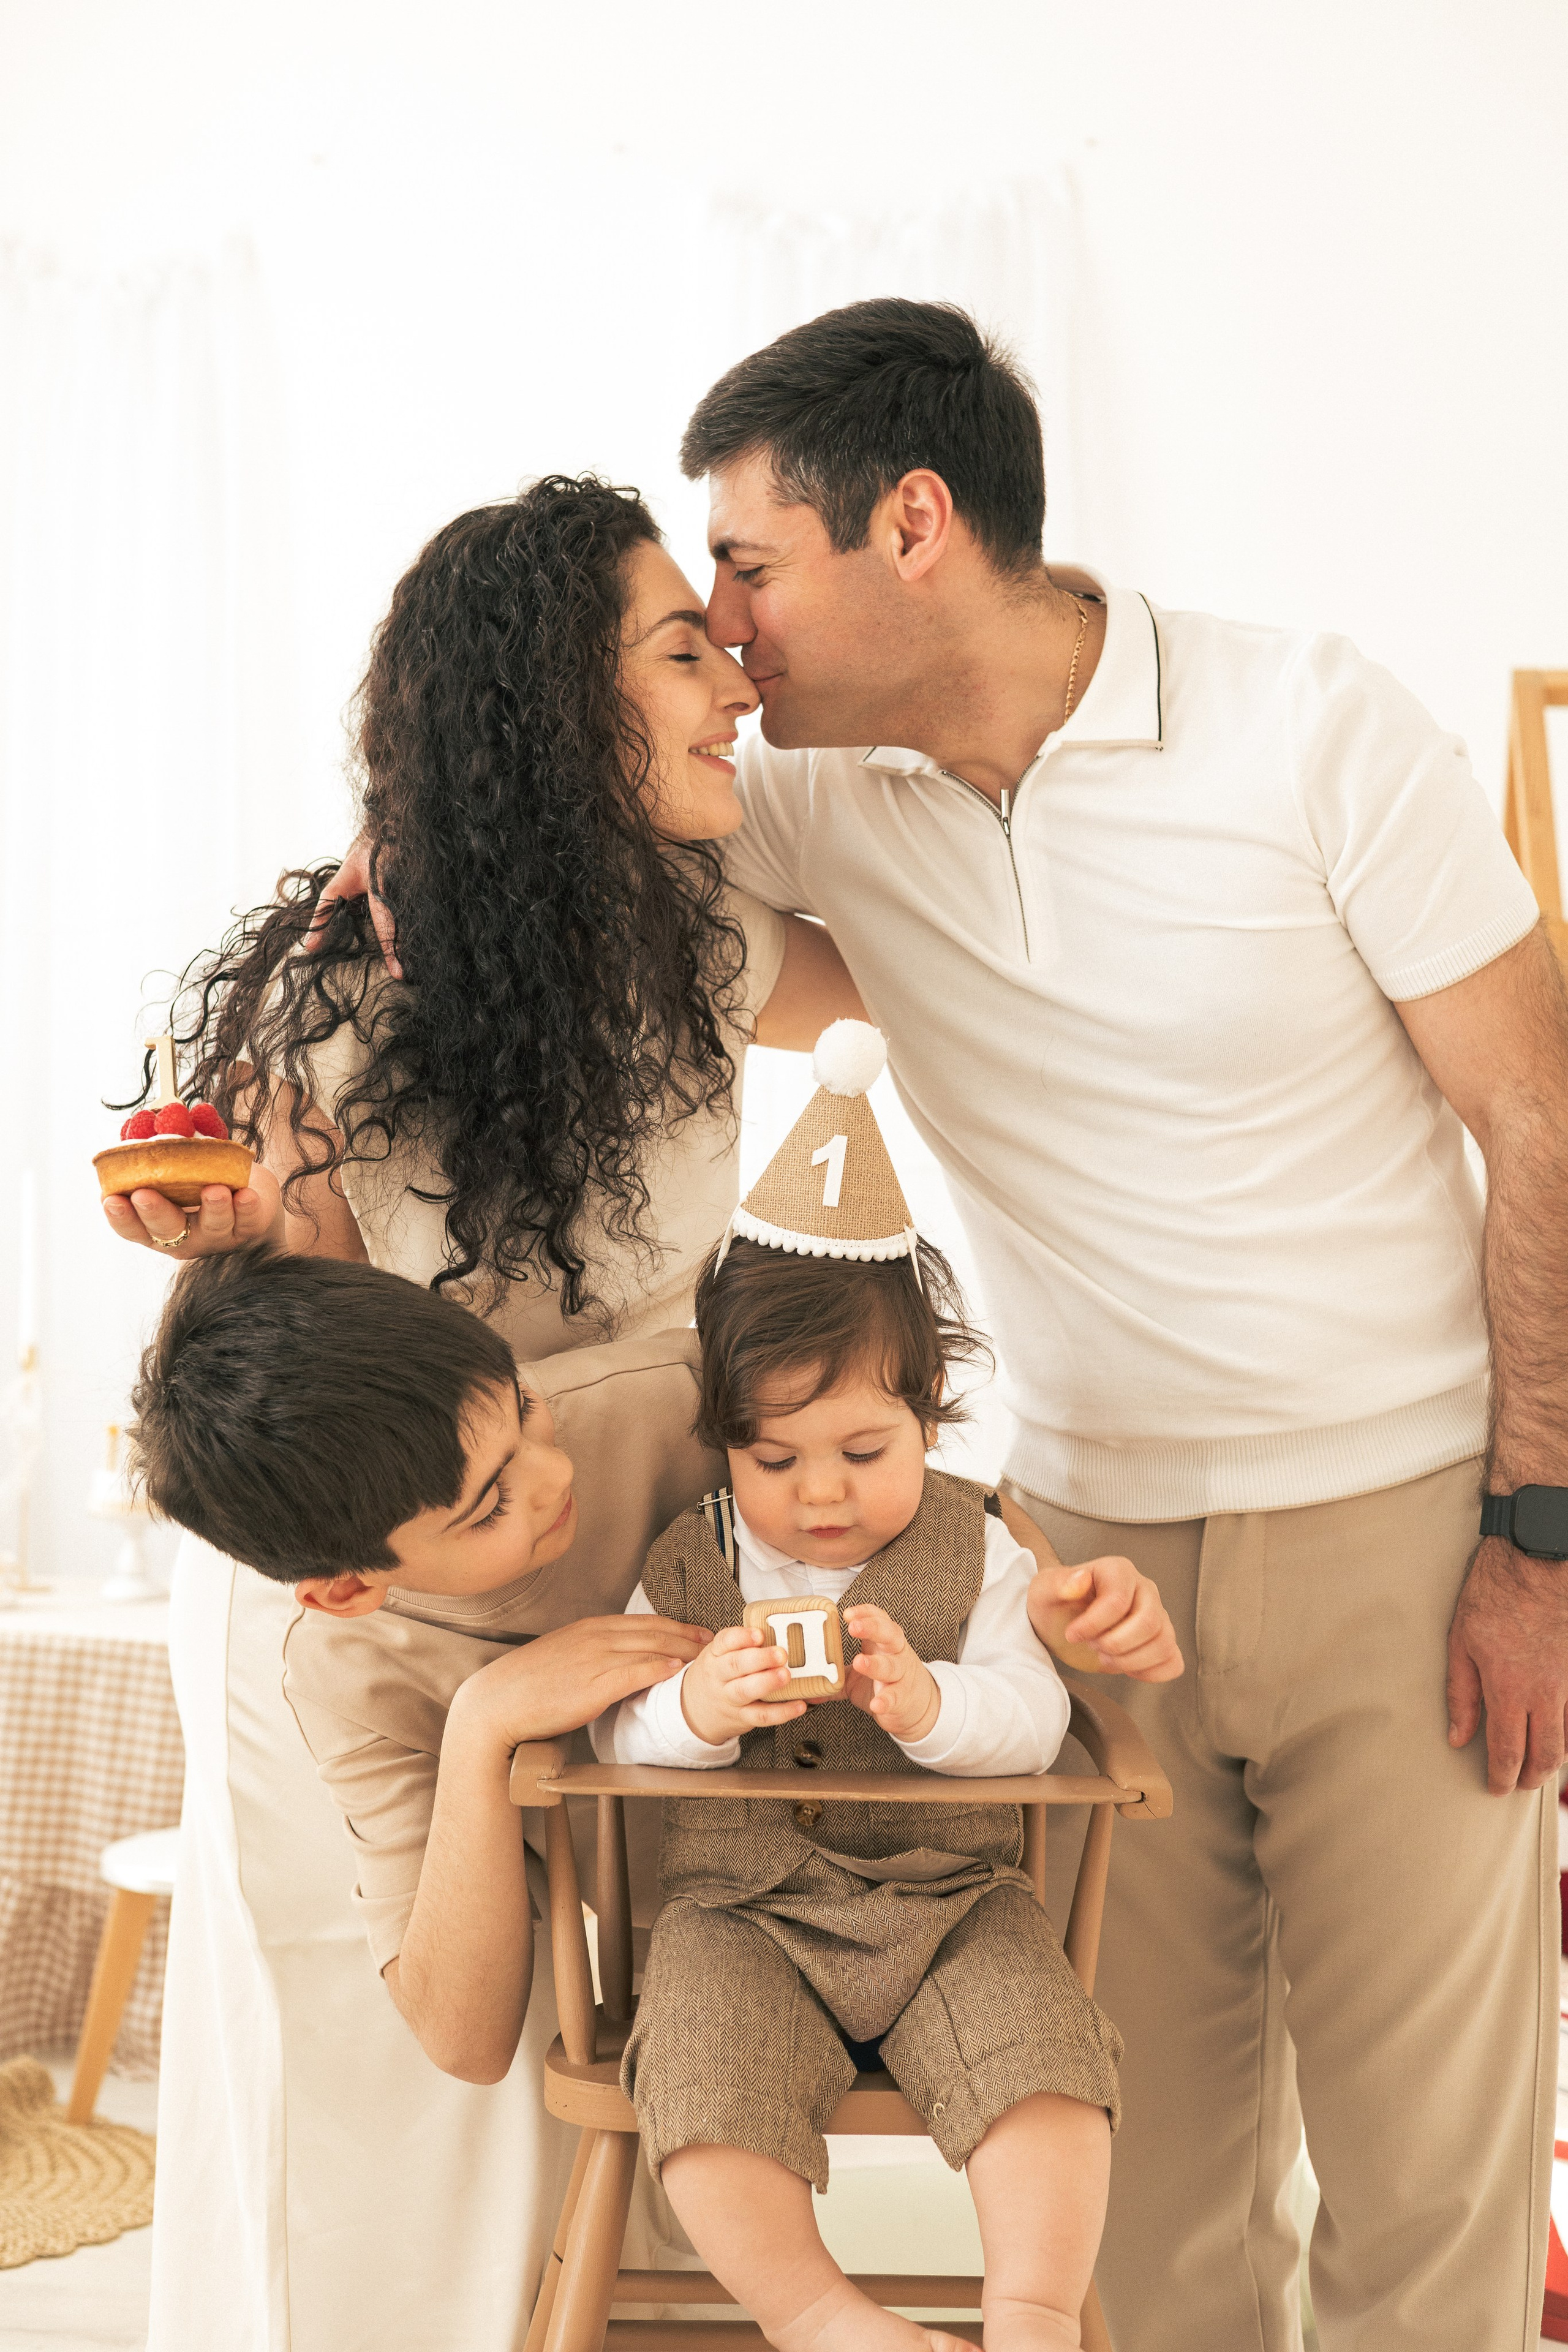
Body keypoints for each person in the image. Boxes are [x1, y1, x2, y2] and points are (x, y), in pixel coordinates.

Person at [322, 310, 1566, 2346]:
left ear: (912, 524)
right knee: (1138, 2196)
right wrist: (367, 870)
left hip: (1407, 1533)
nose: (726, 636)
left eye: (746, 563)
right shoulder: (807, 798)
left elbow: (1545, 1114)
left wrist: (1539, 1543)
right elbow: (554, 798)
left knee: (1427, 2199)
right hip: (1069, 1554)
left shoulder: (1314, 723)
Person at [102, 475, 873, 2352]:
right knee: (391, 2100)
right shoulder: (339, 991)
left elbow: (933, 988)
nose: (736, 681)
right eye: (681, 649)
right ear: (546, 706)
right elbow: (277, 1335)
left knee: (603, 2082)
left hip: (587, 1552)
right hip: (378, 1570)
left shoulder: (708, 934)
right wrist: (202, 1216)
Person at [596, 1023, 1180, 2352]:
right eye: (774, 1458)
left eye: (863, 1449)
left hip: (950, 1899)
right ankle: (825, 2321)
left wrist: (932, 1712)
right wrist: (694, 1710)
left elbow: (1034, 1720)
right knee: (692, 2091)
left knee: (1047, 2071)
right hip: (741, 1911)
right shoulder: (694, 1556)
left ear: (927, 1415)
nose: (818, 1493)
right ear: (723, 1447)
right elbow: (613, 1718)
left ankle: (1028, 2312)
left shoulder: (975, 1545)